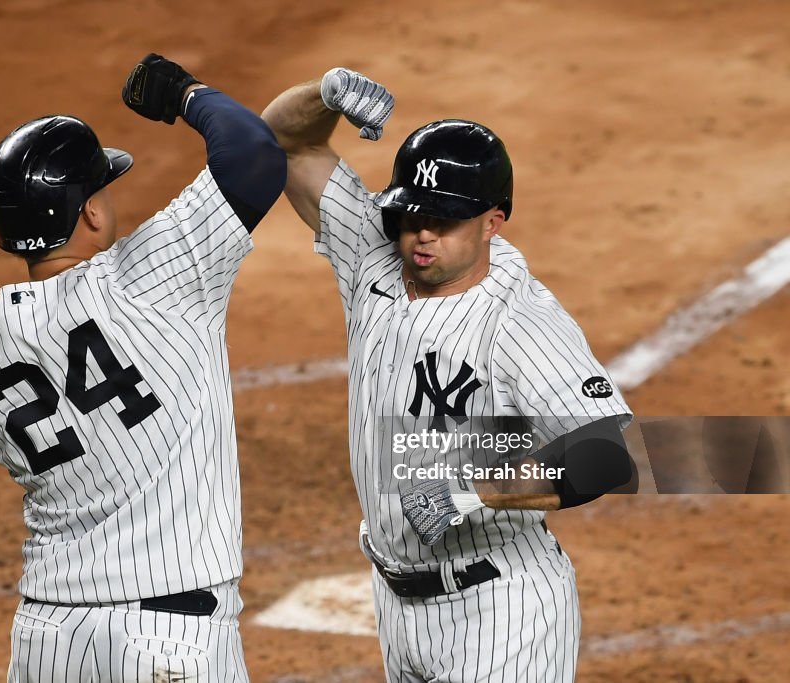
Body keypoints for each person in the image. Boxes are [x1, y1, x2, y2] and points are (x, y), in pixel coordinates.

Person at [0, 54, 285, 682]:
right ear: (90, 213)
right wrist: (184, 94)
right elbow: (254, 153)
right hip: (169, 636)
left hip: (48, 635)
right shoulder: (157, 273)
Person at [262, 69, 635, 683]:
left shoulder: (519, 322)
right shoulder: (373, 256)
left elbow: (604, 456)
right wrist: (323, 93)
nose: (422, 234)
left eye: (444, 220)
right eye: (411, 216)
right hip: (396, 607)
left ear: (494, 220)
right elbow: (287, 143)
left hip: (500, 613)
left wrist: (468, 488)